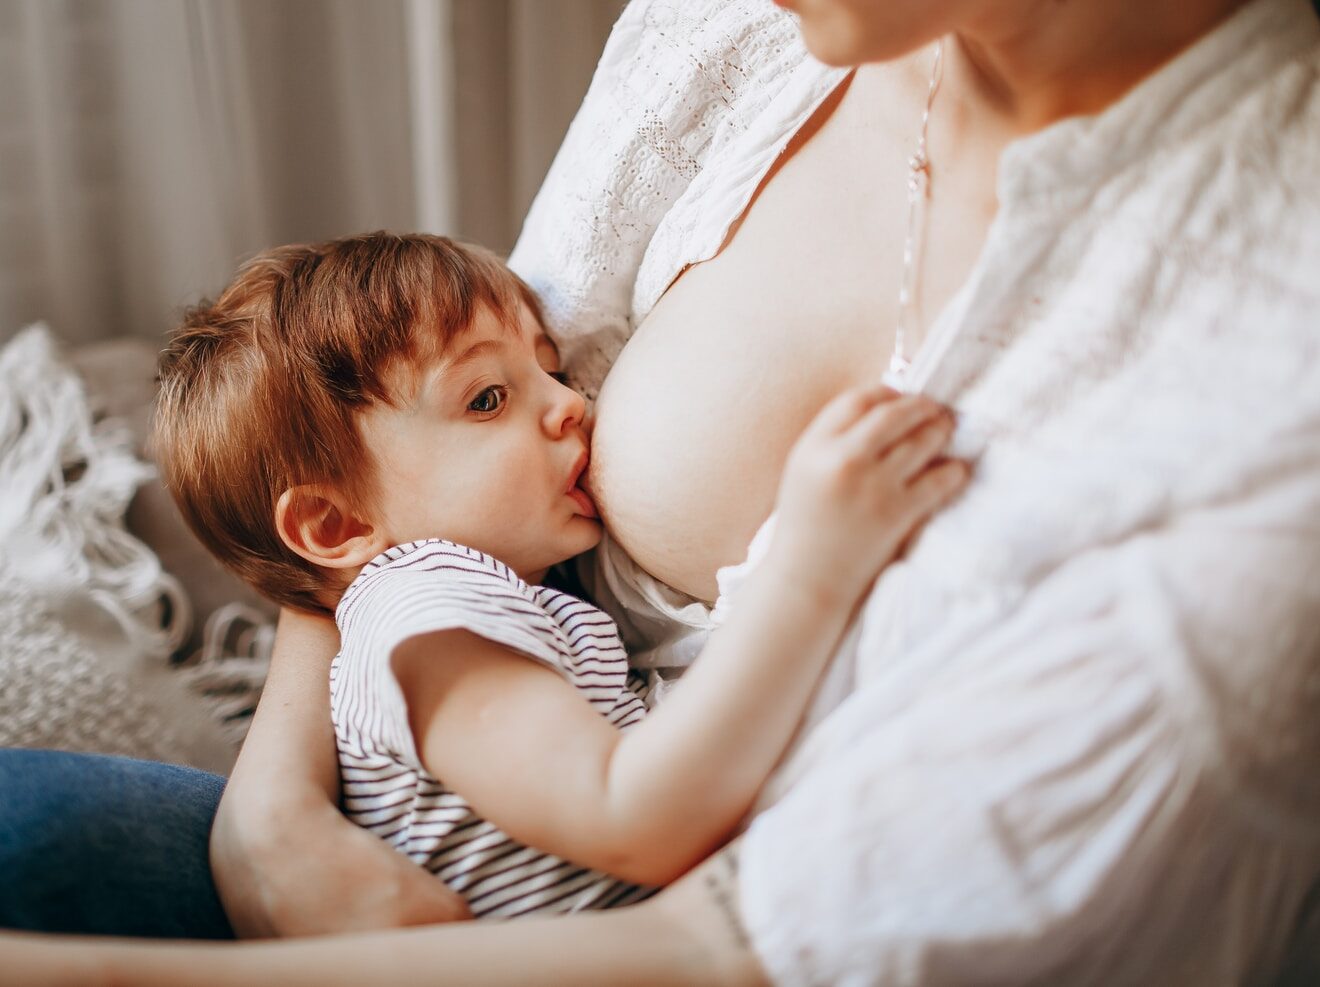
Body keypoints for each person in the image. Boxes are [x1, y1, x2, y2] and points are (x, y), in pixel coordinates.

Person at [2, 0, 1318, 982]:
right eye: (499, 397)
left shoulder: (1266, 384)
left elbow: (718, 923)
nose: (566, 401)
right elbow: (382, 473)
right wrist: (272, 807)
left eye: (528, 385)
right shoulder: (746, 28)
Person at [152, 231, 965, 919]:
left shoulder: (478, 598)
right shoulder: (428, 608)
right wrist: (812, 565)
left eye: (550, 369)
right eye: (487, 398)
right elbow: (633, 816)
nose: (570, 404)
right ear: (337, 526)